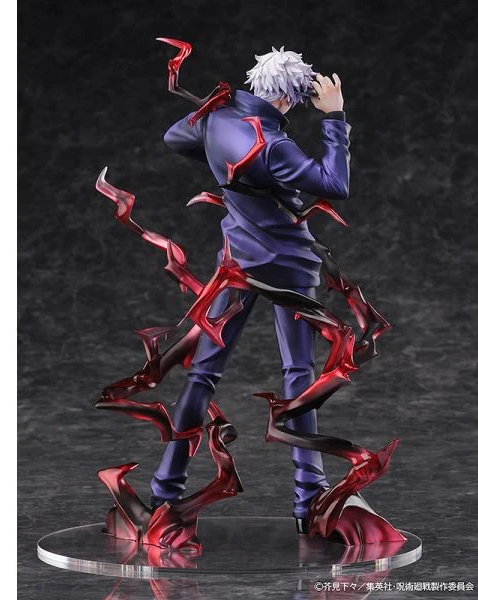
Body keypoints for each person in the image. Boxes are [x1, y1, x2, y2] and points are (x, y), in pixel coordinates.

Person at [150, 47, 351, 529]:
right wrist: (335, 119)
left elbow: (175, 136)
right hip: (288, 265)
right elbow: (334, 183)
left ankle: (163, 494)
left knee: (203, 373)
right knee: (298, 375)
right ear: (288, 97)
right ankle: (309, 498)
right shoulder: (275, 146)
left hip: (237, 259)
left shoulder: (217, 118)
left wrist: (217, 140)